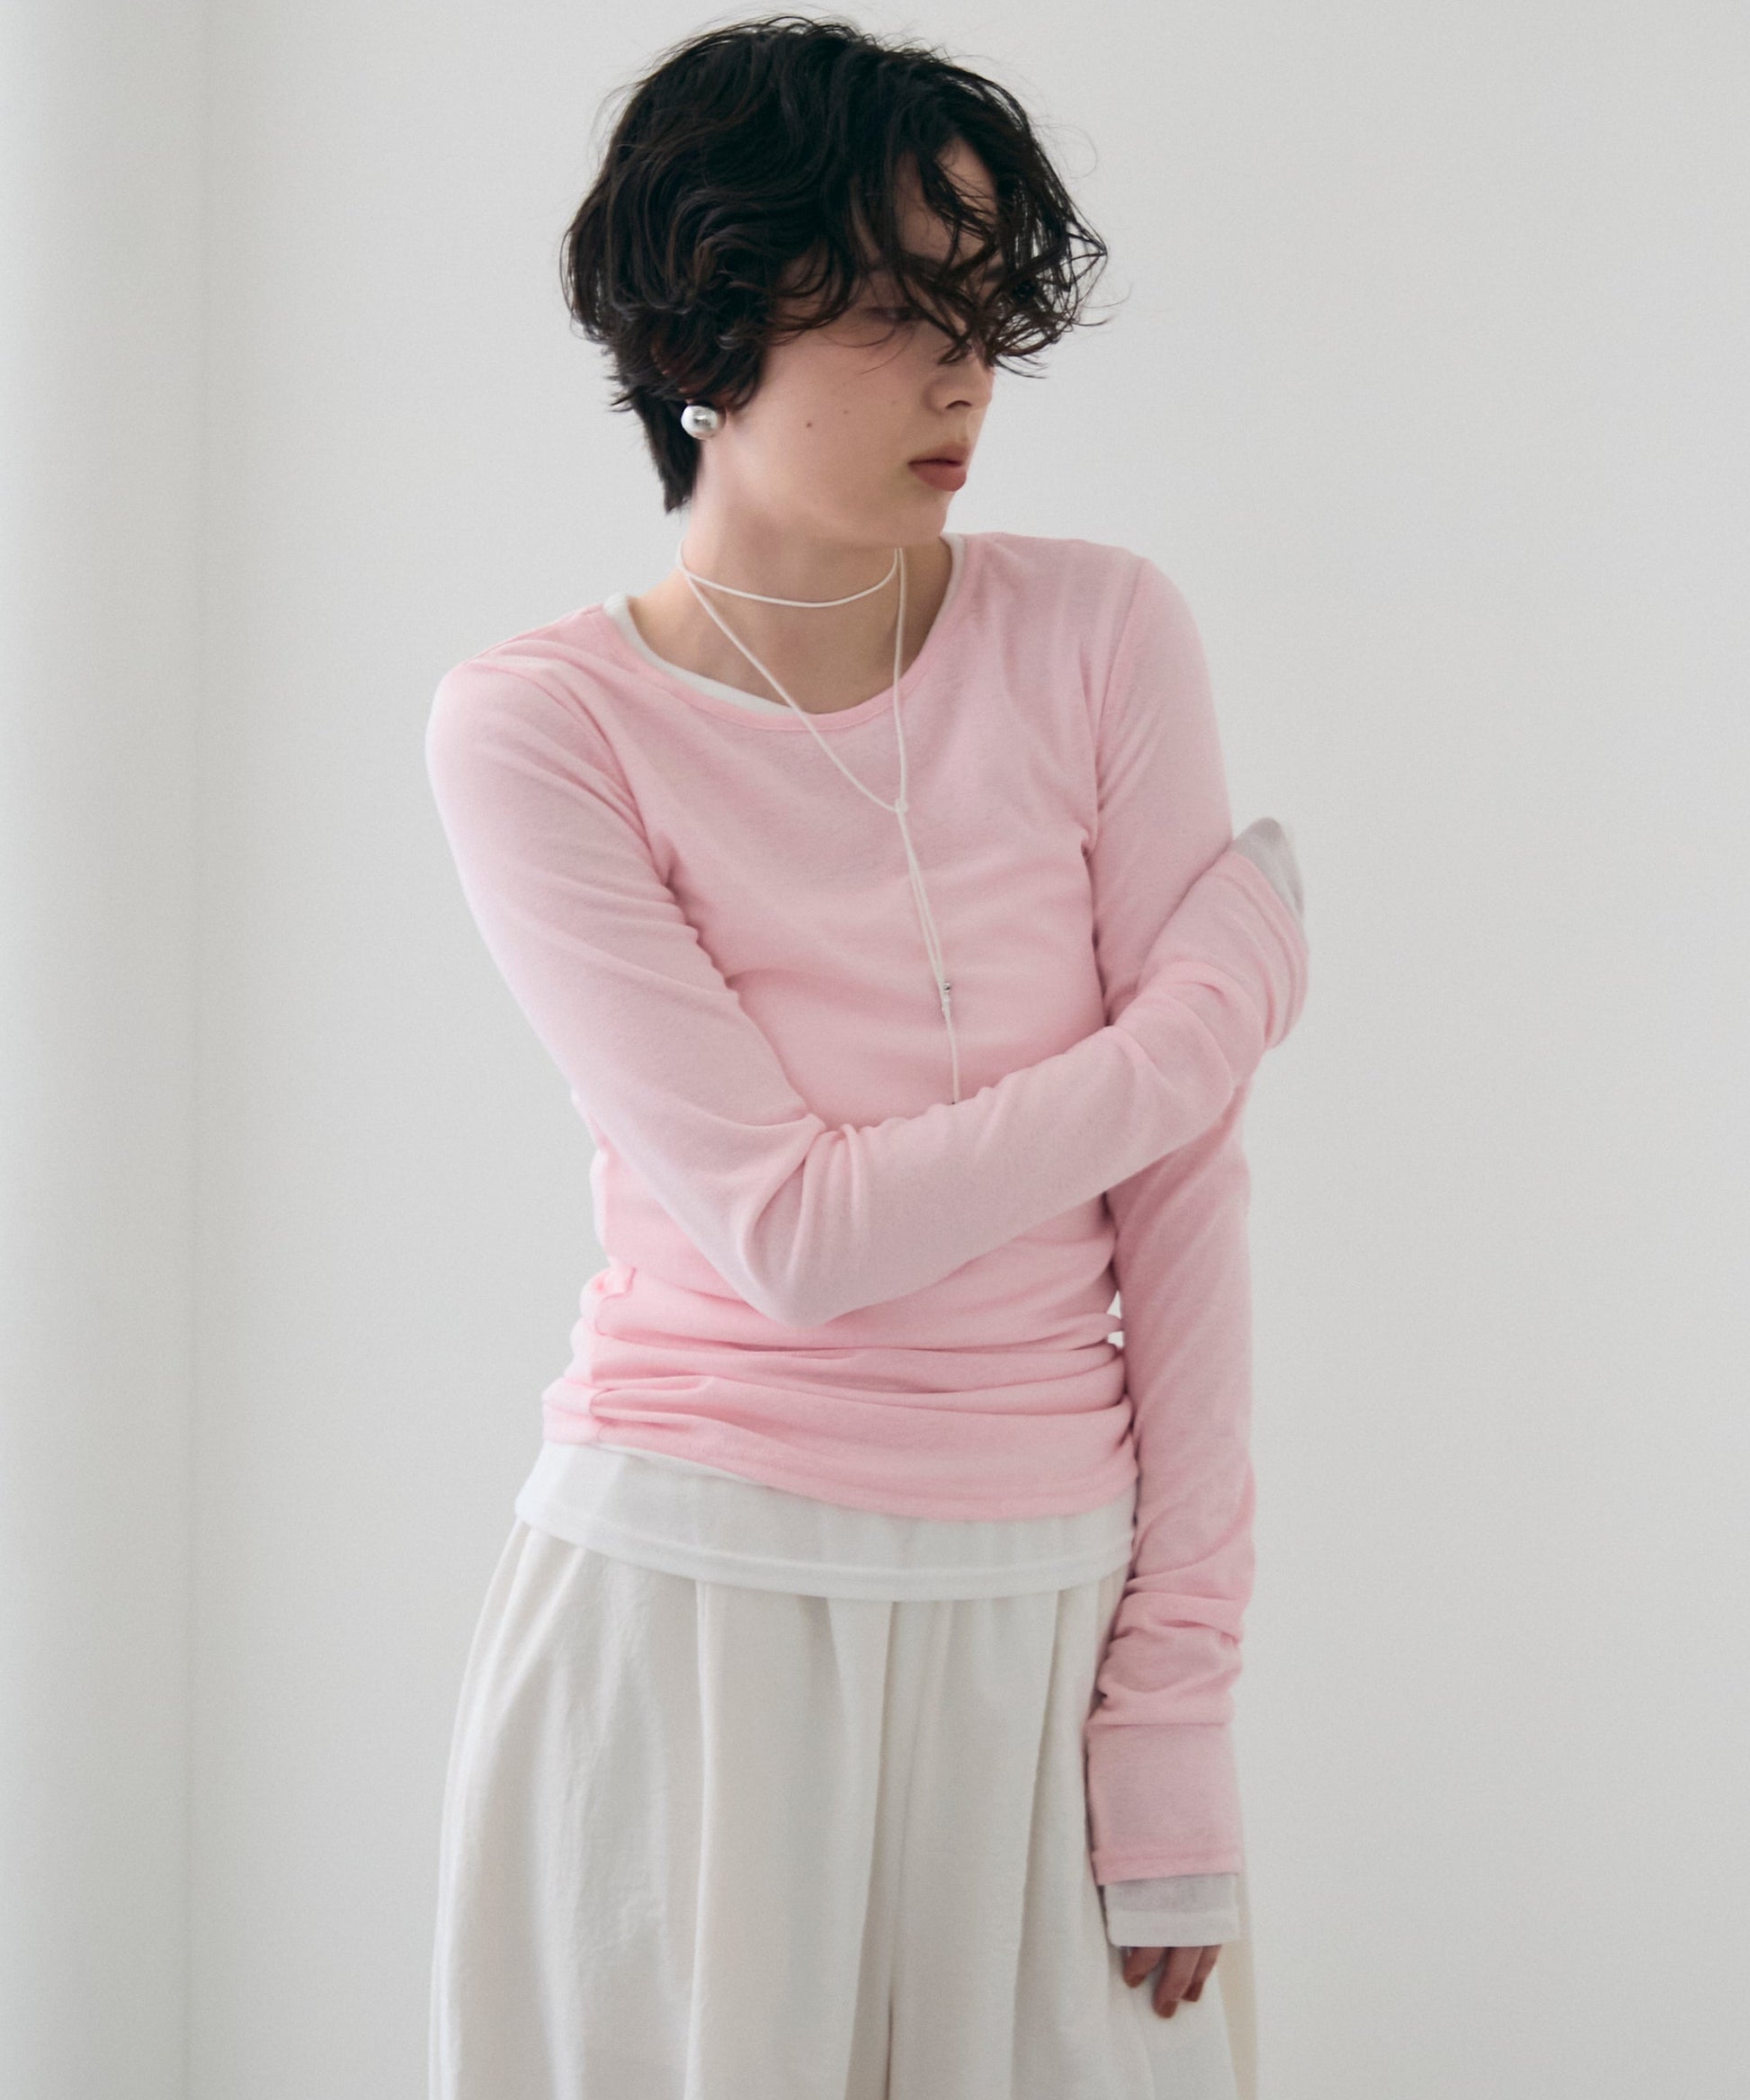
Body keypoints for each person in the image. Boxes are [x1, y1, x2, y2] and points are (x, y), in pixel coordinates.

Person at [423, 16, 1310, 2099]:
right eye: (899, 308)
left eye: (983, 309)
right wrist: (1200, 1025)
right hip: (692, 1609)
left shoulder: (1100, 634)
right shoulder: (540, 729)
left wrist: (1174, 1708)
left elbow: (1181, 1208)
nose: (963, 372)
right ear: (703, 327)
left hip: (1049, 1602)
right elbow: (793, 1235)